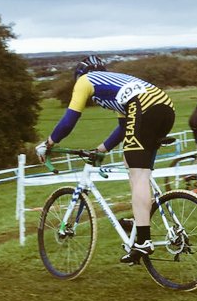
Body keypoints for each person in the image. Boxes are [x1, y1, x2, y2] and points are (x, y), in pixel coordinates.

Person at [35, 56, 175, 265]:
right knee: (132, 164)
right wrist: (101, 149)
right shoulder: (115, 85)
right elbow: (124, 128)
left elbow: (69, 119)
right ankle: (140, 220)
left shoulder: (85, 81)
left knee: (138, 173)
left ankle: (144, 241)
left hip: (144, 106)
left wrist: (49, 143)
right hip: (165, 107)